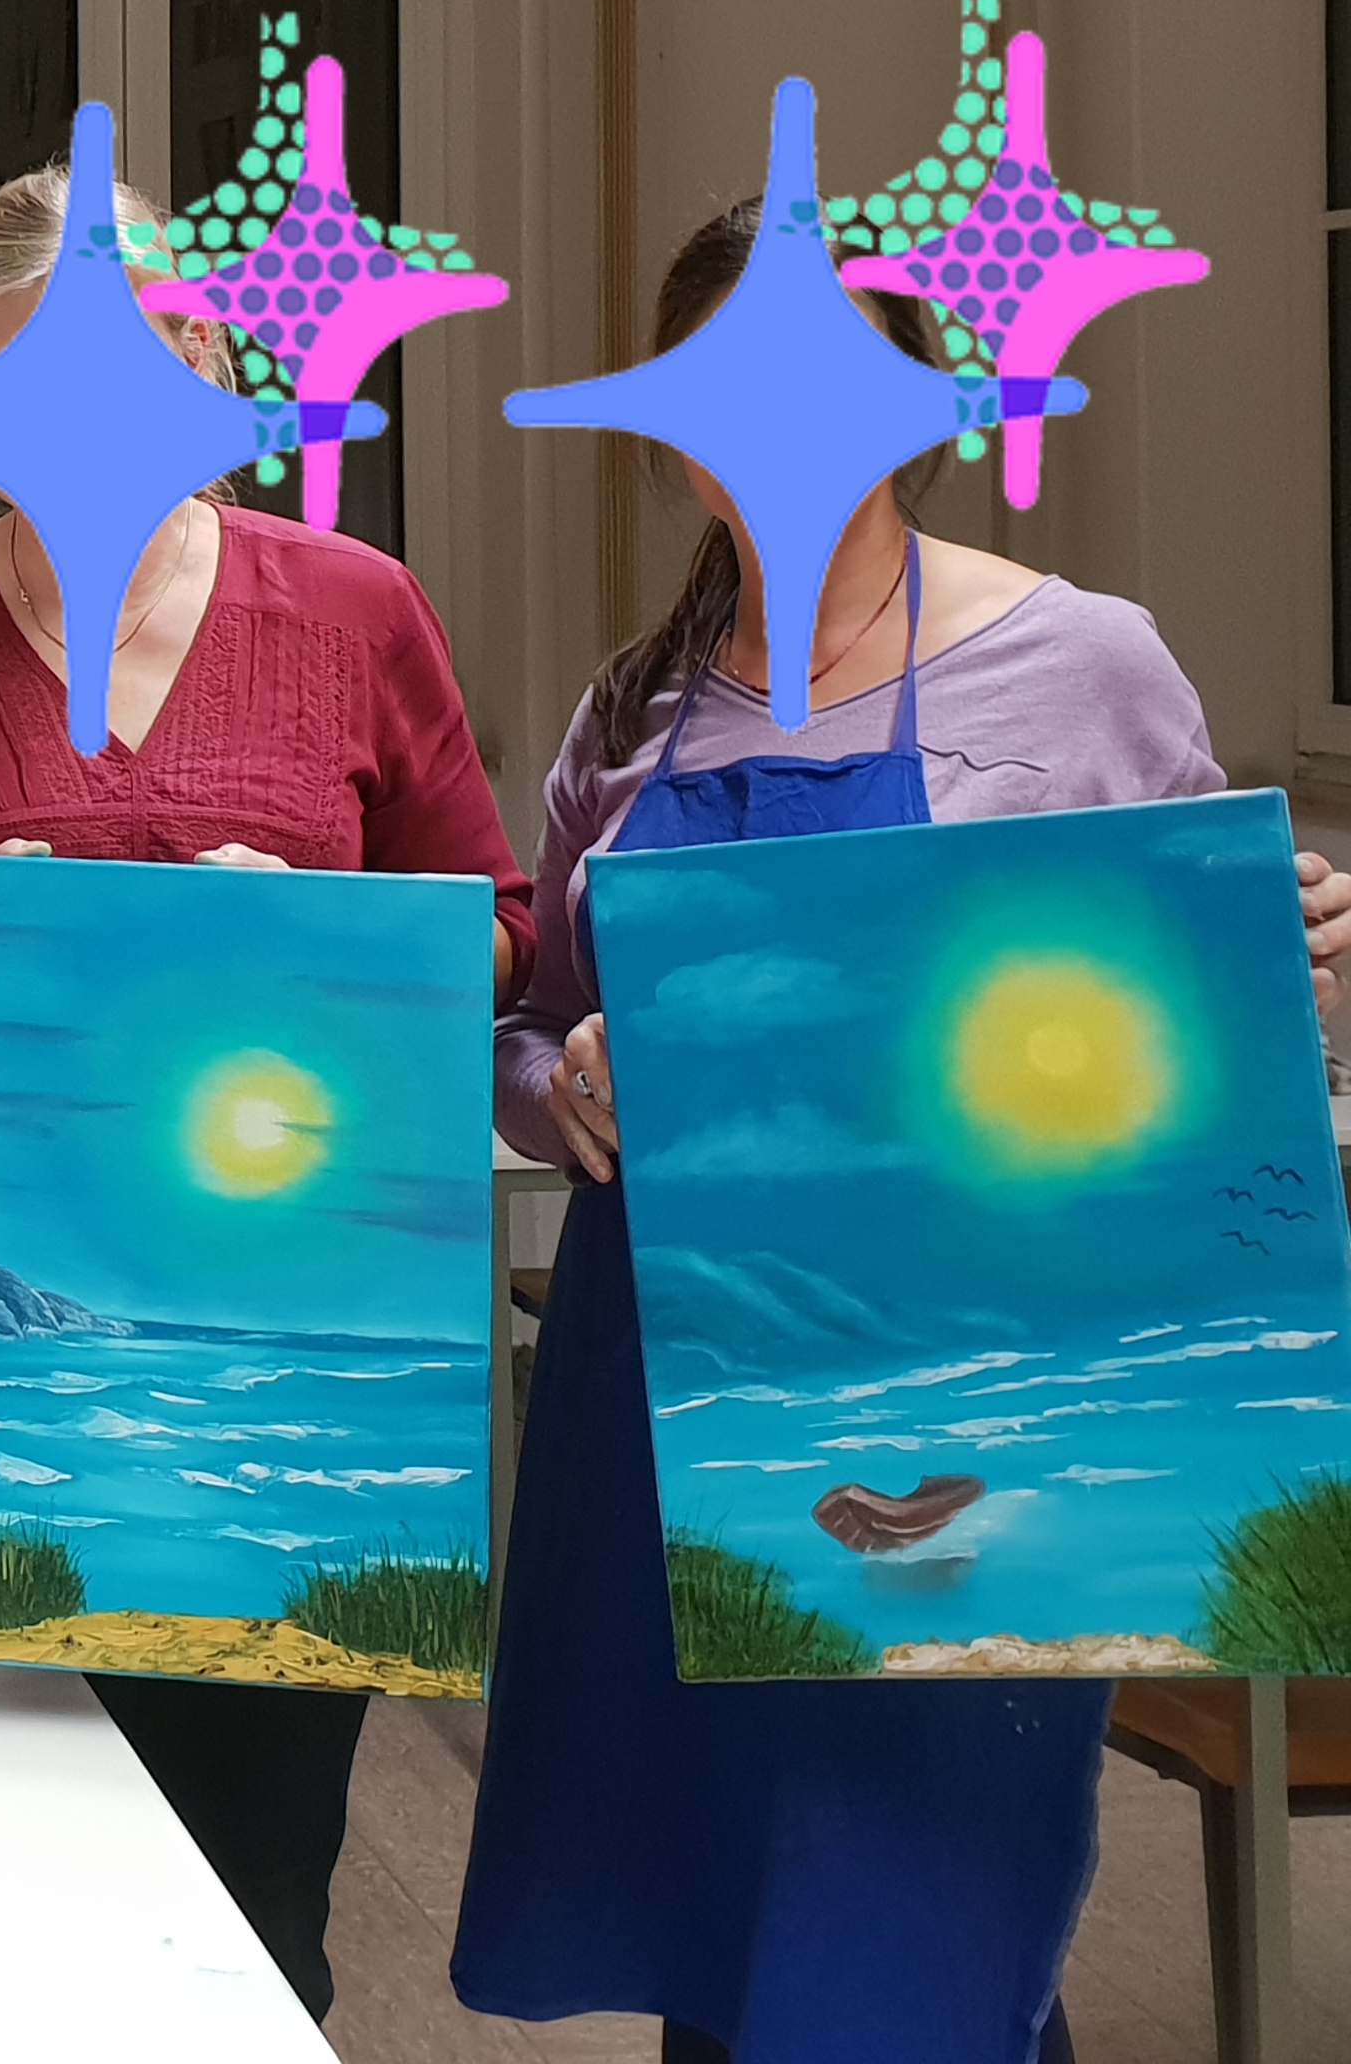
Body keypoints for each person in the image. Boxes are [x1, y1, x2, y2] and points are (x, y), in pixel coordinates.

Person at [450, 199, 1351, 2064]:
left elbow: (1191, 1041)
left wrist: (1289, 958)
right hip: (655, 1384)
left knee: (922, 1937)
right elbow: (524, 1039)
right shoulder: (629, 710)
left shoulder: (1085, 663)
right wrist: (567, 1091)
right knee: (718, 1922)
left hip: (971, 1397)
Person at [0, 159, 534, 2027]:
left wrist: (312, 940)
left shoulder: (354, 608)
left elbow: (498, 933)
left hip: (292, 1380)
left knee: (254, 1917)